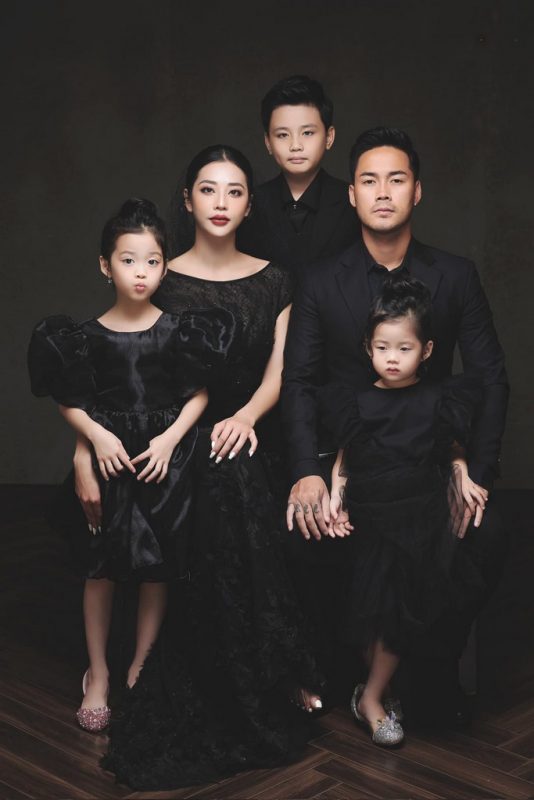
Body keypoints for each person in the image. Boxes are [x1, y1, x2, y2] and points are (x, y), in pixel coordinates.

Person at [67, 146, 323, 789]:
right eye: (208, 190)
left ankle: (272, 670)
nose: (220, 203)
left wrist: (247, 418)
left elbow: (282, 371)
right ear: (188, 200)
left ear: (250, 203)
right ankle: (133, 667)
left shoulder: (276, 279)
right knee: (202, 488)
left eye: (235, 191)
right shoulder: (158, 270)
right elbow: (113, 371)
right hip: (156, 433)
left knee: (236, 483)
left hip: (243, 427)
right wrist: (81, 448)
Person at [282, 127, 509, 725]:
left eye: (397, 179)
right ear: (352, 194)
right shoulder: (320, 279)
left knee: (486, 535)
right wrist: (308, 471)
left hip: (428, 461)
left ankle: (427, 672)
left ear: (418, 191)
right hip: (352, 463)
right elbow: (298, 381)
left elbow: (490, 379)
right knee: (302, 536)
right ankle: (346, 671)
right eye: (369, 180)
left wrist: (474, 474)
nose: (383, 192)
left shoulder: (456, 275)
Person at [27, 198, 230, 731]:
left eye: (153, 261)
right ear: (105, 265)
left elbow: (199, 395)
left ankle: (141, 664)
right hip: (110, 461)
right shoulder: (84, 337)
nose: (141, 272)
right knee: (100, 568)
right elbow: (70, 399)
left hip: (161, 461)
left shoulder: (179, 330)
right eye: (128, 260)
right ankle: (98, 672)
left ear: (165, 267)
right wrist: (94, 438)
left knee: (156, 567)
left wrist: (169, 440)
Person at [320, 277, 487, 745]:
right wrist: (335, 494)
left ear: (427, 350)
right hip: (370, 516)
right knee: (371, 612)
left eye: (404, 348)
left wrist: (461, 471)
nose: (391, 357)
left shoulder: (439, 399)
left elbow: (449, 449)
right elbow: (346, 456)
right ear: (367, 347)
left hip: (419, 519)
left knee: (400, 610)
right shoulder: (355, 400)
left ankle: (372, 698)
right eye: (382, 347)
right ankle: (376, 691)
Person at [237, 75, 360, 274]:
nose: (295, 146)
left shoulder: (353, 201)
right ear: (268, 142)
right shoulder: (249, 204)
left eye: (307, 133)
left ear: (329, 137)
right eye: (282, 135)